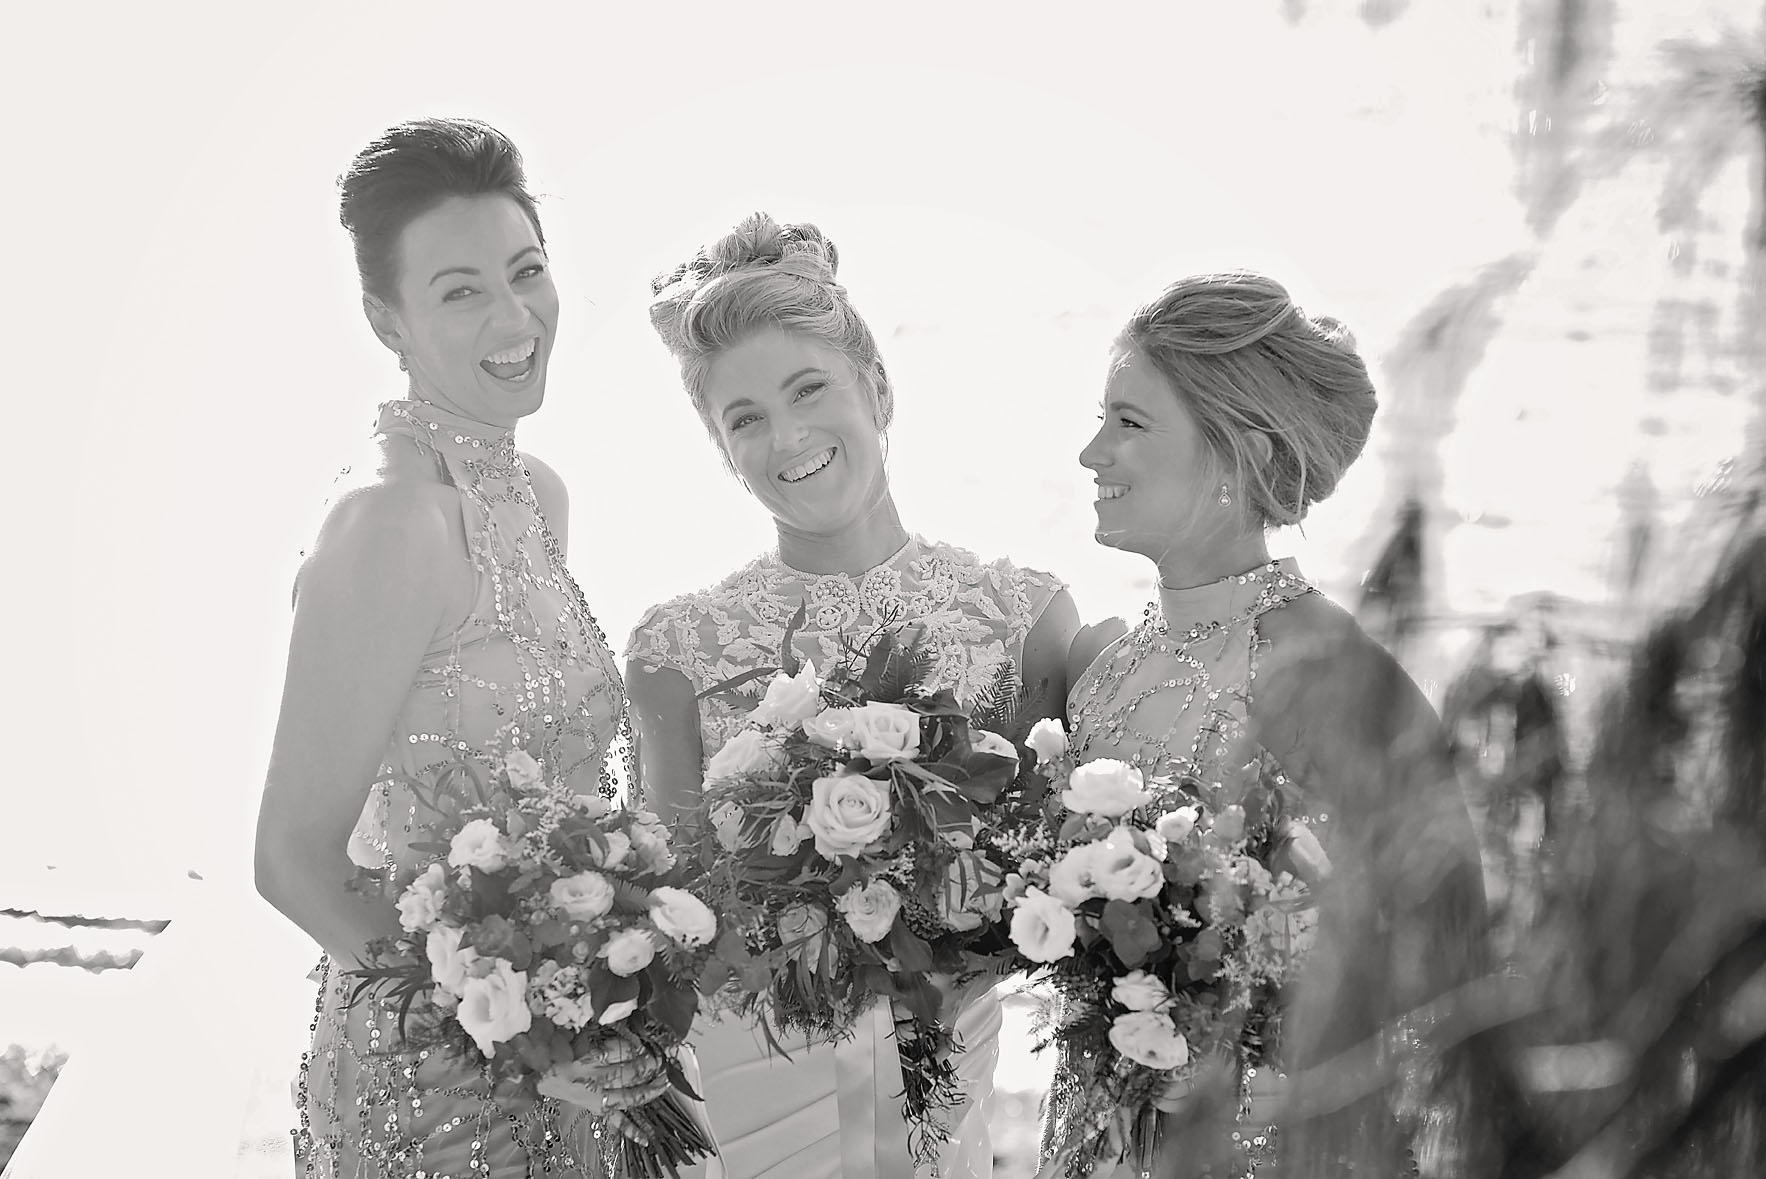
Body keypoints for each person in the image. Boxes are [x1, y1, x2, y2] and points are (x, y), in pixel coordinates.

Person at [621, 212, 1083, 1179]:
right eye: (745, 418)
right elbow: (667, 929)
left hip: (942, 1110)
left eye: (808, 388)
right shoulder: (675, 649)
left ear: (876, 387)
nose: (787, 436)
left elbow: (1056, 898)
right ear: (720, 447)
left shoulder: (1024, 618)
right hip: (754, 1122)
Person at [1044, 272, 1493, 1178]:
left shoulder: (1335, 674)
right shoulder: (1105, 676)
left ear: (1235, 456)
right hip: (1097, 1141)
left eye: (1130, 422)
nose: (1092, 452)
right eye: (1101, 419)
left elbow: (1451, 958)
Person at [252, 117, 631, 1178]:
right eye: (461, 291)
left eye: (527, 271)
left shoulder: (536, 496)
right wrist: (514, 1033)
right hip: (429, 1088)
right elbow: (290, 860)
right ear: (389, 320)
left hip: (566, 1060)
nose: (515, 317)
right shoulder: (387, 522)